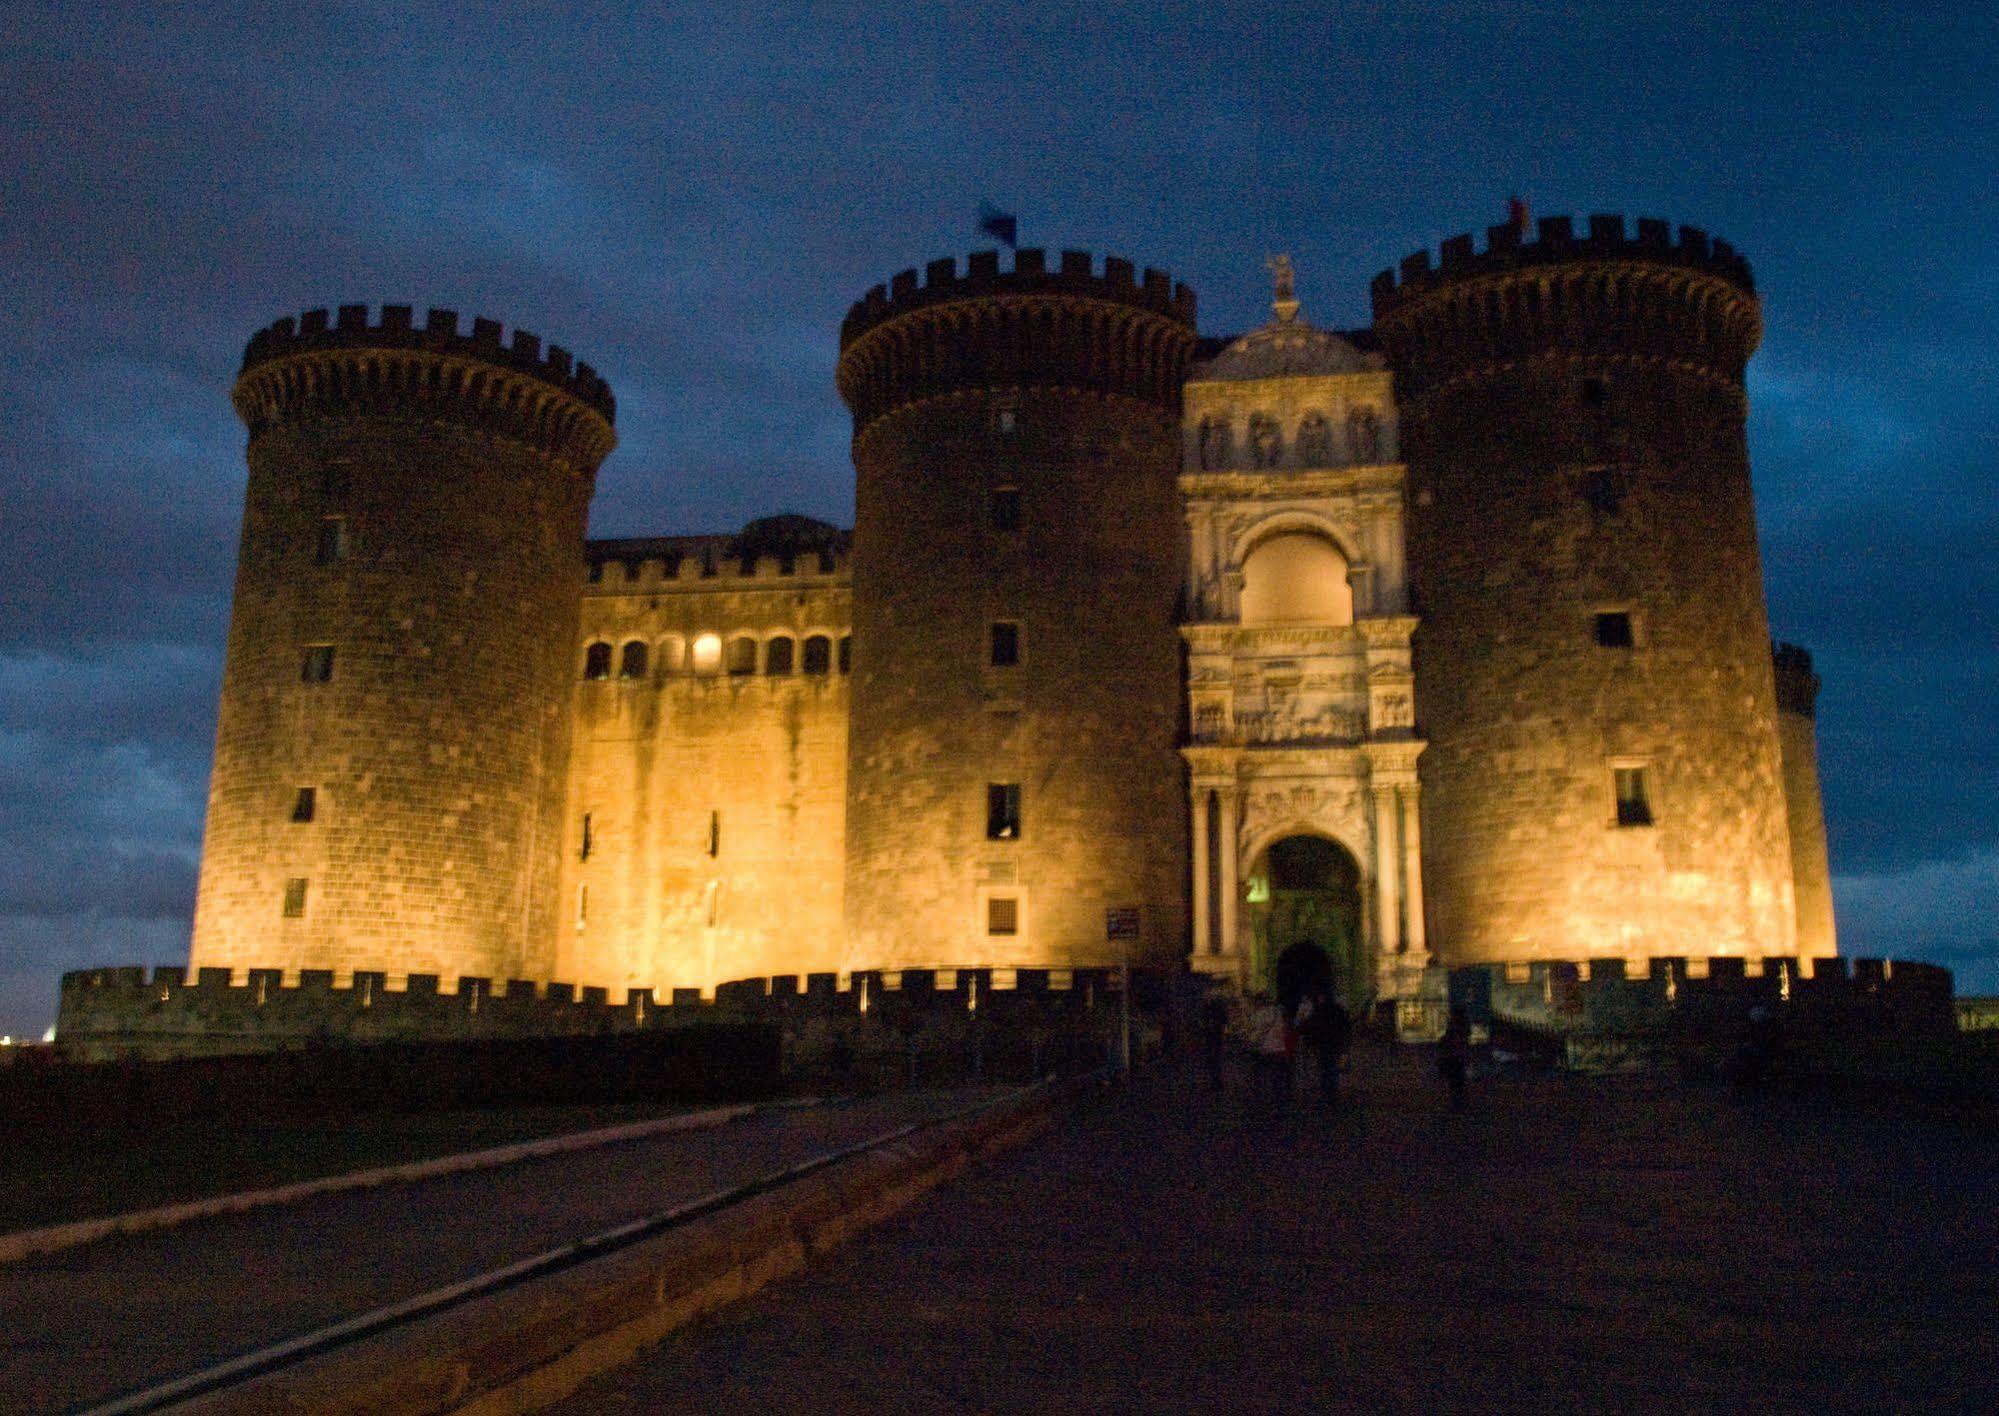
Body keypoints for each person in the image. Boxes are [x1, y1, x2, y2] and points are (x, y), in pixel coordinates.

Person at [1300, 987, 1353, 1109]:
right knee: (1332, 1068)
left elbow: (1311, 1027)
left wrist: (1309, 1042)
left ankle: (1327, 1093)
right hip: (1336, 1044)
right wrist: (1346, 1043)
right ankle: (1332, 1094)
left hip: (1323, 1044)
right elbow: (1346, 1026)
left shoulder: (1319, 1010)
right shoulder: (1339, 1010)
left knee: (1325, 1068)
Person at [1248, 993, 1296, 1116]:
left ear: (1258, 1002)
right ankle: (1279, 1104)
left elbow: (1253, 1031)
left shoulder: (1257, 1015)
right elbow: (1284, 1029)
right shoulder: (1277, 1013)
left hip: (1264, 1049)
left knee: (1262, 1076)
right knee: (1278, 1077)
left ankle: (1263, 1103)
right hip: (1279, 1048)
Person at [1438, 1005, 1472, 1111]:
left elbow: (1450, 1038)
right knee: (1457, 1080)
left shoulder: (1455, 1025)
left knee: (1455, 1081)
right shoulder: (1463, 1024)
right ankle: (1458, 1102)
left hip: (1453, 1055)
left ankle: (1456, 1103)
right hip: (1458, 1055)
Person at [1198, 990, 1231, 1092]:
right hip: (1213, 1035)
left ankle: (1216, 1081)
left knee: (1214, 1058)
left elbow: (1222, 1021)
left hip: (1214, 1036)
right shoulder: (1211, 1008)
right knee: (1214, 1059)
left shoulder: (1211, 1009)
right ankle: (1215, 1080)